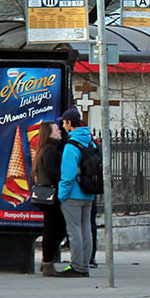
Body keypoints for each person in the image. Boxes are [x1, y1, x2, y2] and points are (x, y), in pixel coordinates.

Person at [57, 108, 95, 277]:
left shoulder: (71, 146)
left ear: (69, 123)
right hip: (89, 193)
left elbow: (68, 174)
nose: (63, 126)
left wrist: (61, 195)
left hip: (72, 194)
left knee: (74, 231)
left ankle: (77, 266)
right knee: (86, 229)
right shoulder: (90, 142)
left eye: (64, 123)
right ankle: (85, 265)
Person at [33, 121, 67, 277]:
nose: (59, 131)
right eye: (56, 130)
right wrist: (64, 176)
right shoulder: (51, 151)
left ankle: (47, 262)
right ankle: (47, 263)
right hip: (52, 195)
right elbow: (52, 172)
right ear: (48, 133)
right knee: (56, 230)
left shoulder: (43, 149)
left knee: (53, 229)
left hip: (45, 195)